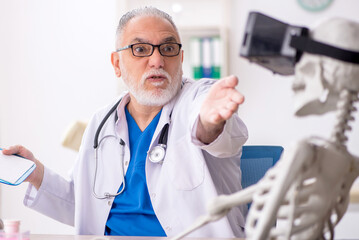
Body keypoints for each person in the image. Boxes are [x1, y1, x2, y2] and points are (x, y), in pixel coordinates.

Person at [2, 7, 248, 238]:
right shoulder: (102, 122)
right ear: (117, 64)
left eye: (168, 48)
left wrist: (209, 122)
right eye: (140, 49)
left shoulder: (199, 99)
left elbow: (213, 131)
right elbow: (84, 204)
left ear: (181, 59)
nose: (157, 60)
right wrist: (35, 174)